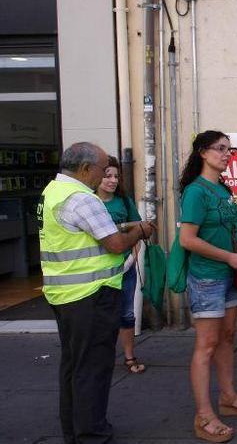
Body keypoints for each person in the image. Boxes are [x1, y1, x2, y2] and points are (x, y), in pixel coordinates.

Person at [40, 142, 153, 443]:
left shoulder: (52, 192)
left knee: (74, 366)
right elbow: (115, 244)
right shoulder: (82, 199)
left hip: (64, 294)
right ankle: (92, 433)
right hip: (91, 295)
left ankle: (74, 430)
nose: (105, 176)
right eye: (102, 170)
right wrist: (140, 231)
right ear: (86, 168)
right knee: (93, 368)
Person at [179, 131, 237, 443]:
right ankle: (204, 415)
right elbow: (188, 239)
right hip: (207, 277)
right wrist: (229, 256)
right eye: (220, 149)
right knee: (207, 345)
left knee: (227, 338)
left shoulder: (223, 189)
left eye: (229, 149)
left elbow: (233, 228)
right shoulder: (196, 192)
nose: (227, 154)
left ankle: (228, 397)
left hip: (229, 275)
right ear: (202, 152)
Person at [96, 155, 146, 375]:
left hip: (125, 268)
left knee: (126, 314)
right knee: (100, 317)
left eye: (116, 176)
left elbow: (139, 230)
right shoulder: (88, 201)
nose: (113, 181)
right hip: (97, 271)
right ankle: (101, 359)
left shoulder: (124, 201)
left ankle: (129, 356)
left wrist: (132, 257)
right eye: (108, 176)